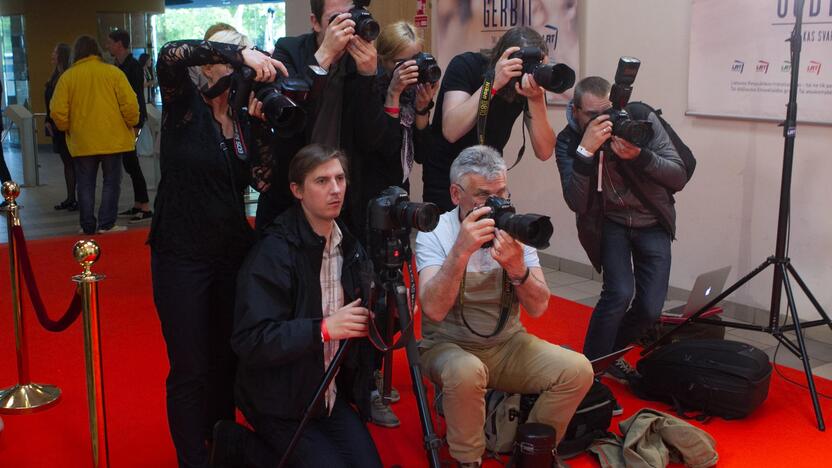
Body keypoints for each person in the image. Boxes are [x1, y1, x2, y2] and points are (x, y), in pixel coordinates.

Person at [149, 27, 286, 468]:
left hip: (230, 253)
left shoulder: (243, 116)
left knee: (227, 359)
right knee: (190, 368)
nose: (235, 58)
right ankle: (192, 459)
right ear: (207, 58)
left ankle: (221, 447)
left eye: (241, 45)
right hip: (180, 254)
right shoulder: (181, 104)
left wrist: (265, 127)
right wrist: (239, 51)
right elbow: (170, 53)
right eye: (228, 48)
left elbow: (263, 180)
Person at [415, 145, 594, 467]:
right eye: (484, 196)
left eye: (502, 193)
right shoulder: (436, 232)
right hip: (447, 345)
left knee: (577, 369)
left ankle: (532, 450)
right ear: (456, 194)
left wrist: (516, 267)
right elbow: (433, 310)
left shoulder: (516, 229)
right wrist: (460, 252)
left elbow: (539, 307)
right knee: (466, 371)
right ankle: (468, 459)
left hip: (507, 344)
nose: (496, 204)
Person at [212, 144, 382, 468]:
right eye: (321, 181)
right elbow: (250, 339)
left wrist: (391, 314)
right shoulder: (274, 252)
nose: (335, 189)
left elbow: (370, 327)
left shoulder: (351, 245)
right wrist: (322, 329)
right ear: (297, 190)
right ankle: (238, 443)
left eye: (340, 178)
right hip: (279, 401)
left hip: (329, 395)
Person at [554, 76, 688, 382]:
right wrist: (586, 153)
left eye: (608, 112)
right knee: (618, 293)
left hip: (652, 221)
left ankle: (605, 358)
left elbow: (678, 175)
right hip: (610, 223)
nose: (603, 121)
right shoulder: (569, 141)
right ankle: (589, 375)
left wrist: (639, 156)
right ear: (575, 111)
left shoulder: (640, 118)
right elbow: (576, 201)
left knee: (651, 308)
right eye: (592, 115)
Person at [254, 0, 386, 236]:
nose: (346, 28)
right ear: (315, 22)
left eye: (350, 18)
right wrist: (324, 56)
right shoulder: (290, 50)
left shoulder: (366, 61)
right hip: (290, 191)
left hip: (343, 198)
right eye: (336, 20)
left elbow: (372, 140)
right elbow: (287, 114)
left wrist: (368, 76)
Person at [424, 26, 557, 212]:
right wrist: (493, 83)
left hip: (490, 183)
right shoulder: (465, 65)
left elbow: (544, 152)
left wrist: (535, 99)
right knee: (449, 240)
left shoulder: (529, 83)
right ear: (502, 57)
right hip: (448, 179)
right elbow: (451, 131)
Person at [49, 35, 138, 235]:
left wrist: (66, 127)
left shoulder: (68, 77)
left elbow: (57, 110)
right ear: (97, 51)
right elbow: (130, 104)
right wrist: (131, 123)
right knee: (111, 182)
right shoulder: (113, 72)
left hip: (82, 140)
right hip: (113, 139)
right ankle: (107, 224)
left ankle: (87, 225)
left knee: (85, 184)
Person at [106, 29, 153, 223]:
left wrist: (134, 121)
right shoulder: (118, 65)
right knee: (129, 162)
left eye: (110, 42)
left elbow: (133, 96)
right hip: (123, 119)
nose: (107, 46)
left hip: (132, 120)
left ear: (119, 44)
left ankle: (145, 206)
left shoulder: (132, 66)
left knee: (131, 162)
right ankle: (138, 203)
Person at [45, 42, 76, 212]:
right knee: (67, 163)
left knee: (70, 163)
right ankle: (71, 197)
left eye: (55, 52)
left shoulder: (66, 76)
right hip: (56, 124)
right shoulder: (56, 75)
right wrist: (48, 120)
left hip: (64, 125)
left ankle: (73, 198)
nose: (52, 54)